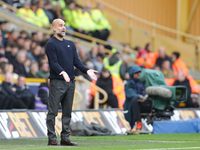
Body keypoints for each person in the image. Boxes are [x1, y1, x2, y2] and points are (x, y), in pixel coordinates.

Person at [45, 18, 97, 146]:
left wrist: (86, 70)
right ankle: (52, 138)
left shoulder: (70, 44)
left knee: (67, 111)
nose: (63, 28)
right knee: (53, 111)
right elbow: (54, 62)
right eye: (60, 25)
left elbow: (76, 61)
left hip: (70, 82)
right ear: (54, 28)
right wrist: (62, 72)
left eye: (64, 25)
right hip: (57, 82)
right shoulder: (51, 44)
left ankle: (65, 138)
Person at [123, 65, 151, 131]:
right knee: (134, 100)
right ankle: (138, 123)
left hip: (145, 103)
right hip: (134, 106)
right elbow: (130, 94)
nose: (139, 74)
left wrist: (145, 98)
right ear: (132, 74)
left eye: (139, 72)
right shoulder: (129, 84)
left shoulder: (145, 82)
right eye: (136, 73)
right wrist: (139, 97)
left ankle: (157, 120)